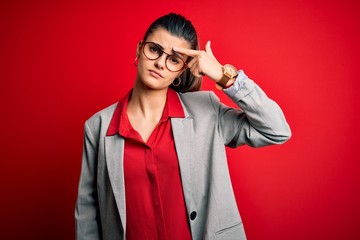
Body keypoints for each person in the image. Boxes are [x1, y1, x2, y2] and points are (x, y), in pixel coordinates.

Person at [75, 12, 291, 240]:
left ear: (182, 69)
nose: (160, 63)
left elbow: (276, 130)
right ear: (139, 49)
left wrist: (223, 75)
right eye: (155, 49)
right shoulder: (98, 127)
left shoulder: (206, 111)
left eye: (174, 59)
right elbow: (88, 212)